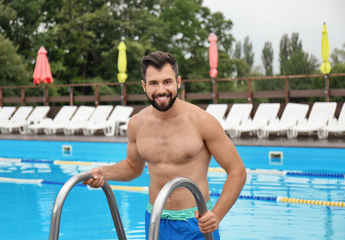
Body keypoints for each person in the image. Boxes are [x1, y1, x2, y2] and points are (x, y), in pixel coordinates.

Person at [83, 51, 246, 239]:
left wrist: (217, 214)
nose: (161, 90)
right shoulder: (137, 124)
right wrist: (104, 173)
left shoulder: (202, 121)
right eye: (154, 83)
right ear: (144, 86)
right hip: (155, 219)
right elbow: (132, 167)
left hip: (197, 222)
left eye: (167, 82)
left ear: (178, 82)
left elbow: (237, 171)